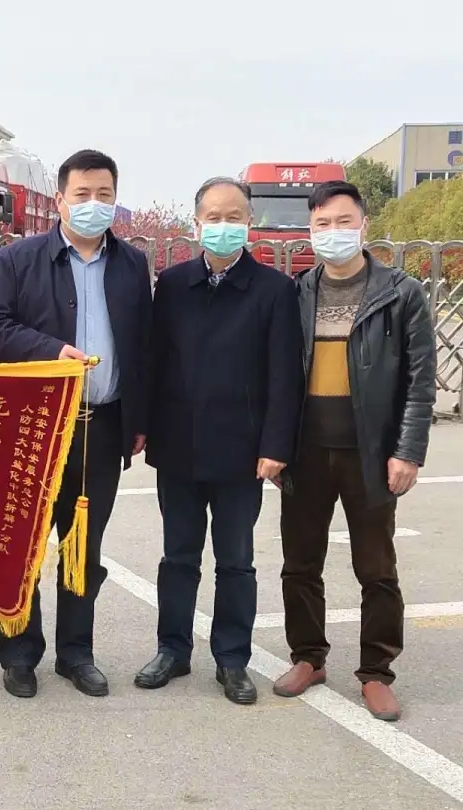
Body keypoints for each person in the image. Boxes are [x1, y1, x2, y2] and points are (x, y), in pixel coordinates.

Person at [0, 149, 152, 699]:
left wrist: (139, 417)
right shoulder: (20, 260)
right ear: (60, 200)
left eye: (104, 195)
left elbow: (142, 344)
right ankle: (19, 653)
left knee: (83, 547)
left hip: (103, 425)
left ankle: (77, 653)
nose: (94, 204)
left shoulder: (131, 264)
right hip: (34, 427)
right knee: (23, 543)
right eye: (83, 194)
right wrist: (50, 352)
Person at [135, 177, 304, 705]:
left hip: (242, 453)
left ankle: (232, 659)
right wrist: (143, 426)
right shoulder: (173, 284)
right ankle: (172, 650)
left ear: (249, 222)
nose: (223, 226)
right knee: (177, 558)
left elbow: (284, 377)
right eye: (213, 217)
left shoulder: (274, 290)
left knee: (235, 562)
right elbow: (153, 362)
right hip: (178, 448)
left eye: (234, 217)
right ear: (196, 224)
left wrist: (275, 446)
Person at [273, 181, 436, 722]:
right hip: (305, 451)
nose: (333, 233)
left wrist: (407, 451)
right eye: (322, 224)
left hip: (371, 452)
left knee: (376, 568)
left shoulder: (400, 293)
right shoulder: (297, 293)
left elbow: (419, 382)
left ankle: (376, 672)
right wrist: (275, 445)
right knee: (300, 563)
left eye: (344, 222)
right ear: (310, 231)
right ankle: (308, 657)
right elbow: (278, 374)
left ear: (364, 225)